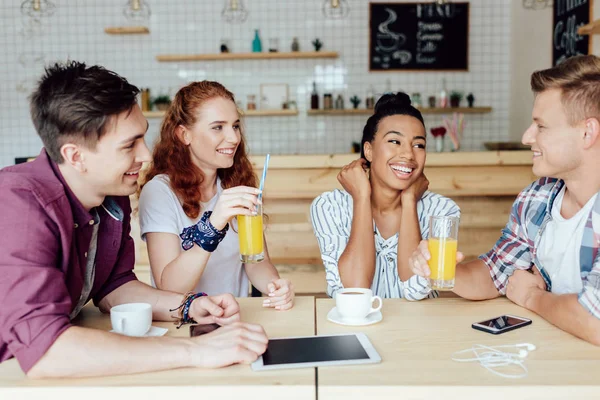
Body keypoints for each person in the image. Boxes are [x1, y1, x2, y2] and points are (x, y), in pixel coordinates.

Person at [0, 61, 268, 378]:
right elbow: (47, 351)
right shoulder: (19, 205)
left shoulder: (111, 197)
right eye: (130, 145)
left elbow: (116, 288)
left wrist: (189, 306)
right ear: (75, 156)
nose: (146, 155)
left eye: (142, 138)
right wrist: (197, 351)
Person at [408, 55, 600, 345]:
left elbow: (594, 321)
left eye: (541, 126)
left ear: (587, 132)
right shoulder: (538, 197)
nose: (526, 137)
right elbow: (494, 272)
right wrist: (441, 268)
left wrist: (532, 297)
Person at [138, 81, 294, 310]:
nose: (233, 138)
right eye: (218, 127)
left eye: (235, 126)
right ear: (184, 134)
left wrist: (276, 287)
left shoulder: (235, 184)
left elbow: (256, 263)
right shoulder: (159, 192)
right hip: (184, 325)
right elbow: (169, 288)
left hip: (234, 318)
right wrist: (213, 224)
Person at [310, 92, 460, 299]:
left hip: (421, 329)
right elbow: (355, 290)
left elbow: (415, 292)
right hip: (354, 327)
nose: (408, 154)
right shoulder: (329, 207)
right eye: (395, 142)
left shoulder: (442, 211)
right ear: (369, 151)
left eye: (419, 145)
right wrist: (361, 197)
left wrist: (409, 202)